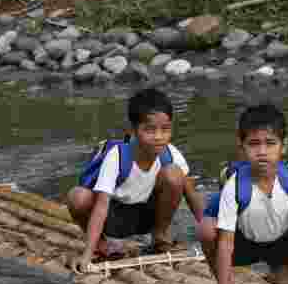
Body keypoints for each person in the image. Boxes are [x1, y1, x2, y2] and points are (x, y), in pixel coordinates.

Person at [196, 104, 288, 284]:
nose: (262, 152)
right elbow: (226, 244)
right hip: (246, 245)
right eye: (254, 144)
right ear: (242, 147)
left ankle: (283, 273)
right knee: (207, 231)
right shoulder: (235, 187)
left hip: (281, 241)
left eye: (270, 143)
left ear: (284, 146)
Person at [67, 87, 205, 273]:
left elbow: (192, 195)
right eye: (149, 130)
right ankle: (102, 245)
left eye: (165, 129)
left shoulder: (171, 154)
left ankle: (160, 238)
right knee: (78, 197)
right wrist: (87, 254)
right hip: (114, 218)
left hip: (148, 216)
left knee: (174, 174)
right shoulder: (117, 156)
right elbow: (101, 205)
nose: (158, 137)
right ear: (132, 130)